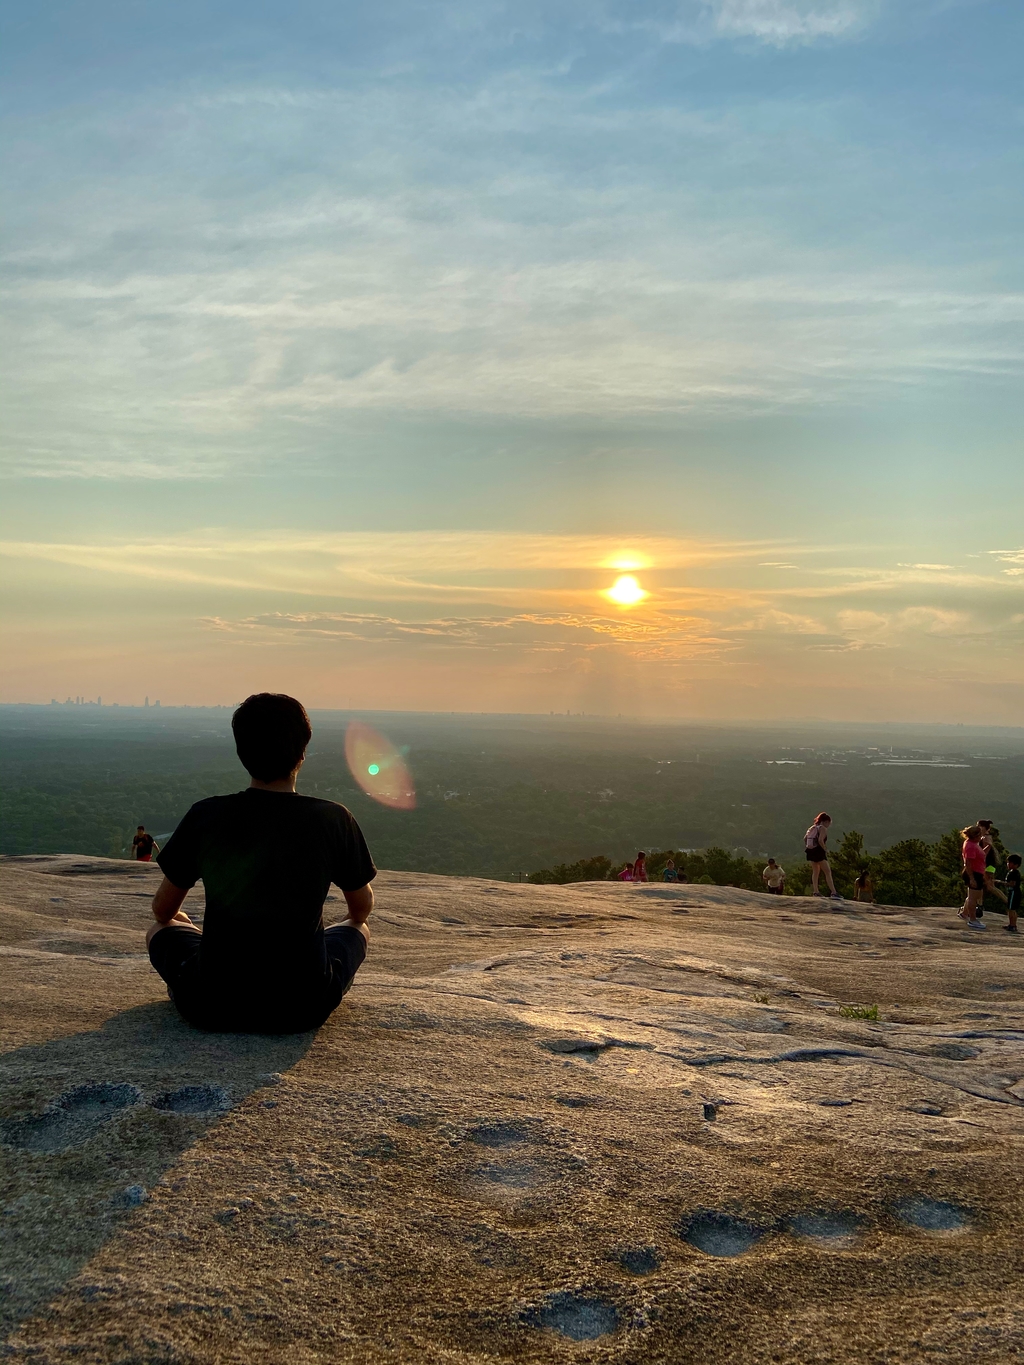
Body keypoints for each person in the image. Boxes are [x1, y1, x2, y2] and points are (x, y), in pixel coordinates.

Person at [146, 693, 375, 1032]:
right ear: (303, 749)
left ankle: (189, 981)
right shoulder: (333, 819)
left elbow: (162, 911)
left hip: (212, 1004)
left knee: (159, 931)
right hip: (302, 1008)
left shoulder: (206, 815)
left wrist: (184, 922)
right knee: (359, 929)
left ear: (242, 752)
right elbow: (361, 910)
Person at [804, 813, 842, 900]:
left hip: (810, 851)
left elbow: (805, 839)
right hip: (819, 851)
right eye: (829, 823)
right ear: (826, 821)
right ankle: (833, 892)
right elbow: (820, 840)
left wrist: (810, 847)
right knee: (827, 872)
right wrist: (825, 849)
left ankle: (816, 891)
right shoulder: (823, 828)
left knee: (815, 872)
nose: (829, 825)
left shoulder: (812, 828)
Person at [959, 824, 987, 930]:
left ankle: (964, 914)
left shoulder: (973, 843)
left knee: (976, 895)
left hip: (977, 873)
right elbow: (968, 863)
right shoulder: (970, 846)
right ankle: (973, 920)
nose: (981, 837)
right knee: (973, 898)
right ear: (976, 836)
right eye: (980, 835)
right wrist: (972, 878)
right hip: (973, 873)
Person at [977, 820, 1008, 910]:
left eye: (979, 826)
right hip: (988, 865)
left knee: (989, 886)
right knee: (983, 885)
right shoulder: (984, 837)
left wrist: (981, 857)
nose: (978, 827)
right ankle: (979, 904)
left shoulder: (986, 837)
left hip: (988, 865)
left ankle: (1008, 901)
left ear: (984, 827)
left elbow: (988, 846)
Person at [1000, 854, 1021, 933]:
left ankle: (1012, 925)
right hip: (1013, 892)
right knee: (1012, 909)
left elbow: (1012, 884)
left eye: (1010, 863)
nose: (1008, 864)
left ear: (1016, 864)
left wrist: (1001, 882)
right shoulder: (1012, 872)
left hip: (1013, 893)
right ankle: (1012, 925)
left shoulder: (1014, 873)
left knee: (1011, 910)